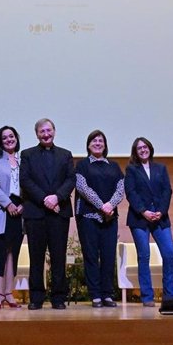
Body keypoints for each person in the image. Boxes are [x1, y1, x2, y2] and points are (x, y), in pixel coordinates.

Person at [20, 118, 75, 310]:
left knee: (58, 256)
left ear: (54, 131)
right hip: (36, 212)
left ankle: (58, 297)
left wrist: (56, 198)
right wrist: (45, 199)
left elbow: (70, 180)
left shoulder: (65, 154)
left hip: (59, 212)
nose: (46, 134)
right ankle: (36, 297)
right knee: (36, 257)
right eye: (42, 131)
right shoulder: (27, 154)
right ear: (37, 134)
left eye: (49, 130)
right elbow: (25, 180)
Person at [124, 137, 173, 307]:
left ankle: (171, 295)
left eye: (145, 147)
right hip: (140, 219)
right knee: (144, 256)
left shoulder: (160, 168)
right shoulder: (131, 169)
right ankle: (147, 296)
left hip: (160, 218)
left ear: (150, 148)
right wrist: (144, 211)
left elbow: (166, 191)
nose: (143, 150)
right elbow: (131, 193)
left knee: (169, 254)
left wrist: (160, 211)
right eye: (139, 148)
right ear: (135, 151)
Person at [75, 130, 124, 308]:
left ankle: (107, 294)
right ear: (88, 145)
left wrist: (110, 205)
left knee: (109, 256)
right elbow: (82, 187)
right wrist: (101, 205)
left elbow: (120, 188)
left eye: (101, 141)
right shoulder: (82, 165)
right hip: (88, 217)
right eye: (94, 141)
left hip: (110, 218)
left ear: (105, 144)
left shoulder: (114, 166)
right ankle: (95, 295)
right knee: (91, 256)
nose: (97, 143)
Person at [0, 126, 25, 310]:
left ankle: (9, 293)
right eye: (4, 137)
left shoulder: (25, 159)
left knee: (13, 253)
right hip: (1, 208)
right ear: (0, 141)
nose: (9, 139)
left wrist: (23, 204)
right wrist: (8, 204)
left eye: (11, 136)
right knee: (0, 252)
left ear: (16, 138)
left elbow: (30, 183)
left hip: (21, 209)